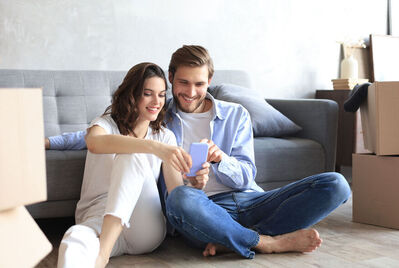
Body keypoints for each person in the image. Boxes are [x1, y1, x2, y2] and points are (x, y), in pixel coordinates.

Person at [49, 45, 351, 260]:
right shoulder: (159, 117)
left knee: (336, 184)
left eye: (199, 84)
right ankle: (265, 242)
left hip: (248, 199)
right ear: (171, 77)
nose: (190, 92)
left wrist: (221, 160)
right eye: (182, 83)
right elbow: (109, 131)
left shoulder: (235, 115)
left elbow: (248, 174)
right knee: (181, 197)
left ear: (210, 81)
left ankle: (231, 240)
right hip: (197, 209)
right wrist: (48, 142)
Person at [56, 62, 209, 268]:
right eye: (148, 93)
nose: (157, 101)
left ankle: (102, 255)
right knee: (73, 238)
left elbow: (175, 191)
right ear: (133, 94)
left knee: (131, 156)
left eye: (162, 95)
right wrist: (153, 147)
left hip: (143, 227)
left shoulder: (165, 136)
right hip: (98, 218)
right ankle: (105, 248)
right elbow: (93, 143)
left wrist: (194, 184)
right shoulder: (105, 124)